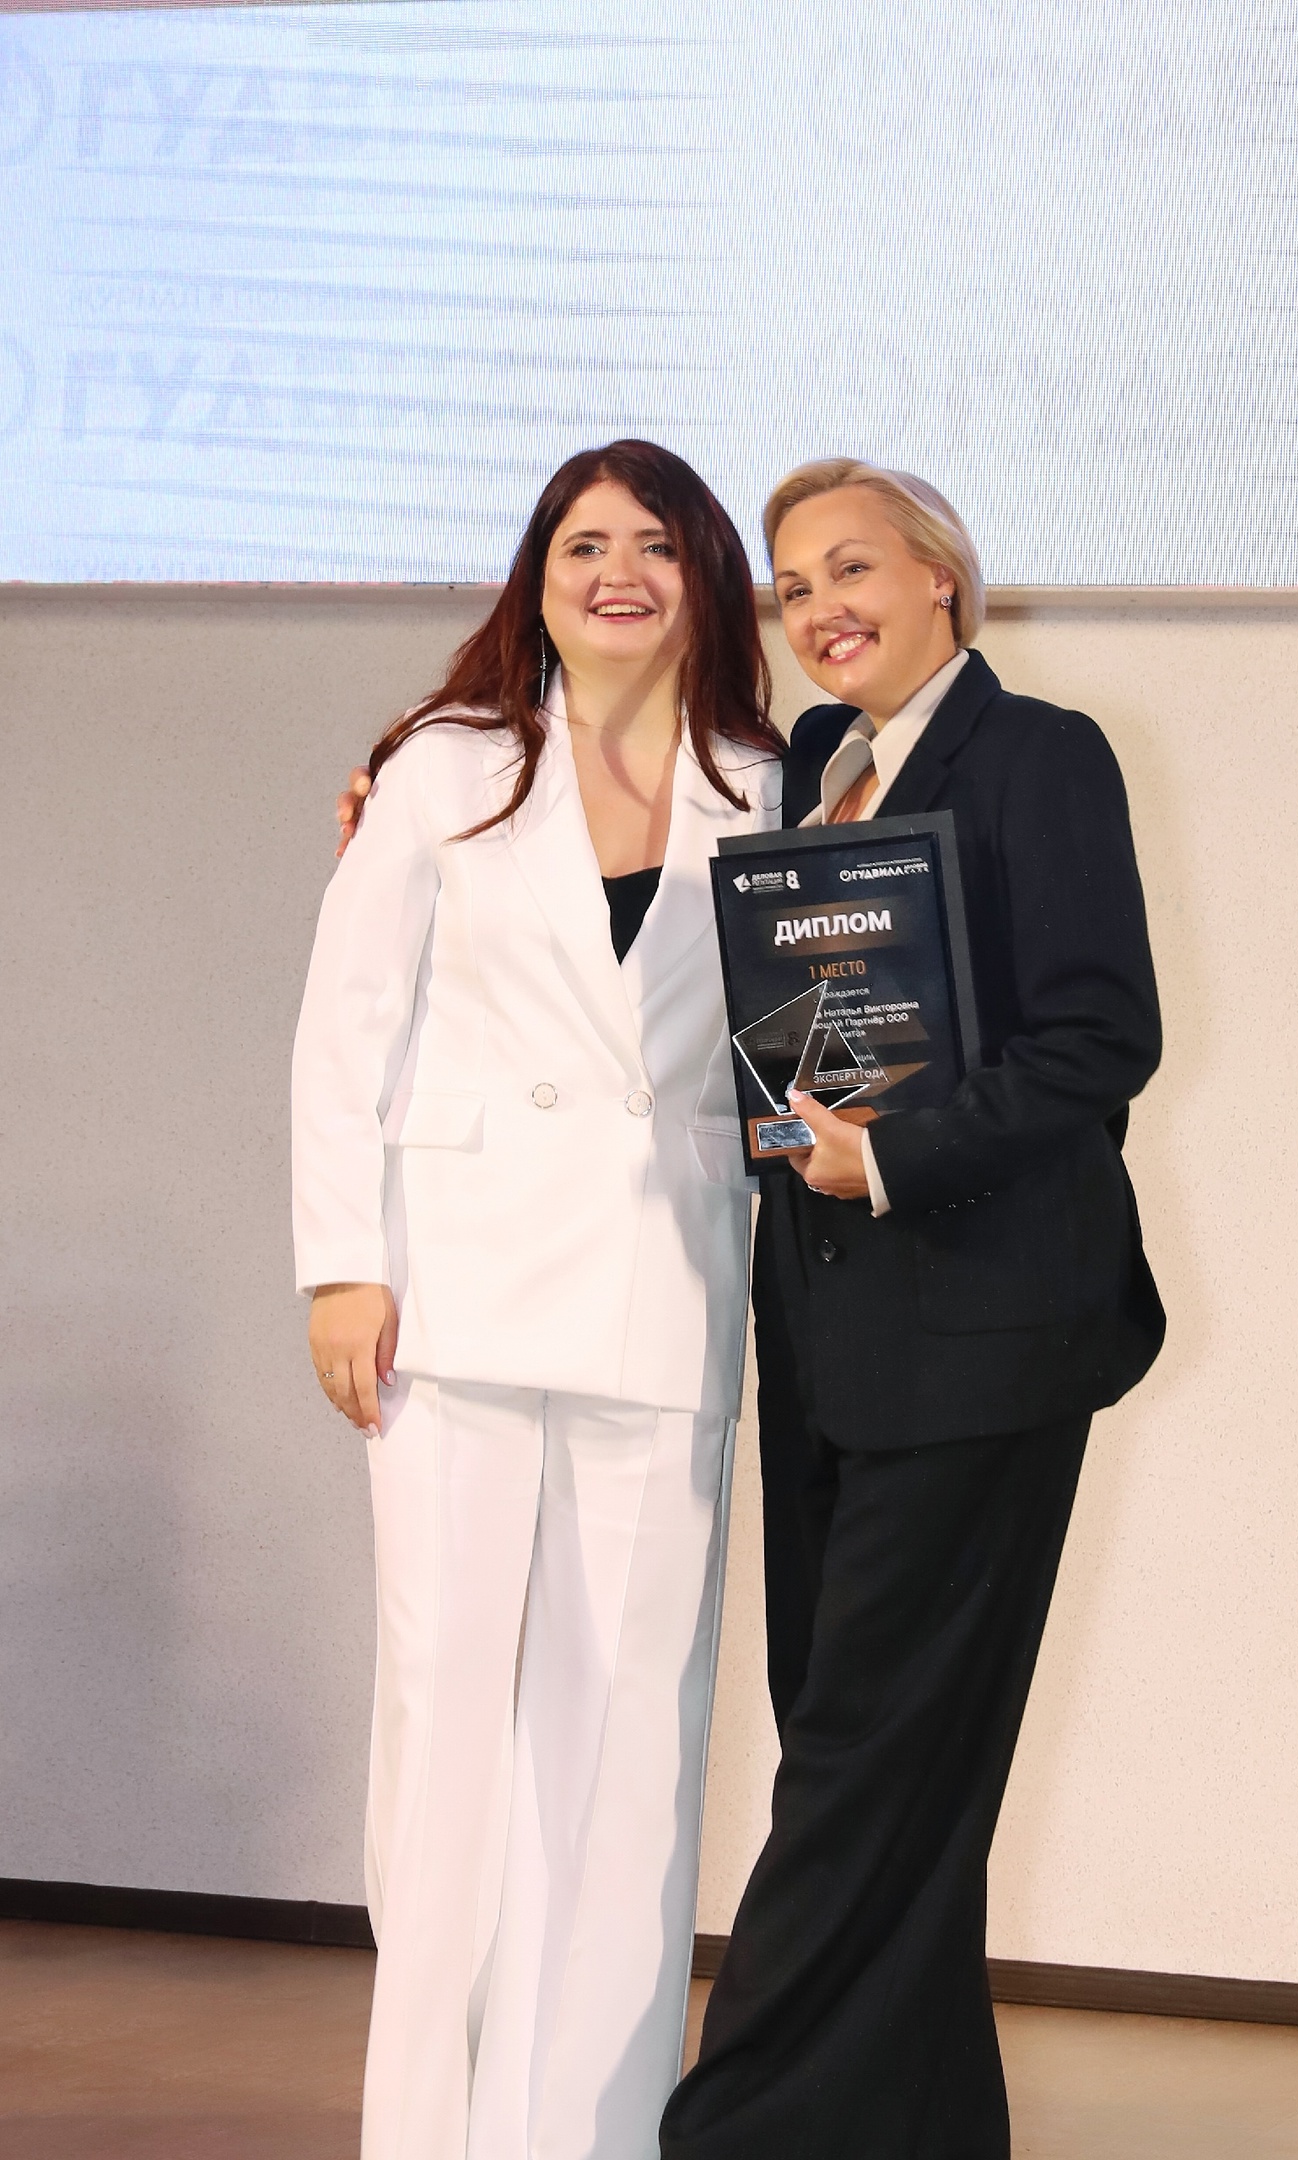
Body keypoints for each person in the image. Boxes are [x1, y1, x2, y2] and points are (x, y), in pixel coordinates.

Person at [658, 462, 1165, 2160]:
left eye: (852, 569)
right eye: (793, 587)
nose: (819, 610)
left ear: (943, 576)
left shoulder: (1041, 756)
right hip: (826, 1345)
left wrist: (886, 1158)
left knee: (862, 1767)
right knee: (877, 1757)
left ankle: (734, 2134)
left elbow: (1101, 1040)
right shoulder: (811, 764)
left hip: (985, 1344)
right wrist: (399, 780)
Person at [292, 439, 784, 2160]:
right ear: (538, 576)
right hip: (456, 1291)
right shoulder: (444, 763)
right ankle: (425, 2126)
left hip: (667, 1290)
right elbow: (347, 1022)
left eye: (655, 544)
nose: (617, 573)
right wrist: (342, 1263)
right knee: (444, 1717)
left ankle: (588, 2129)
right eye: (583, 544)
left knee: (633, 1731)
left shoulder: (768, 779)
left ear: (707, 577)